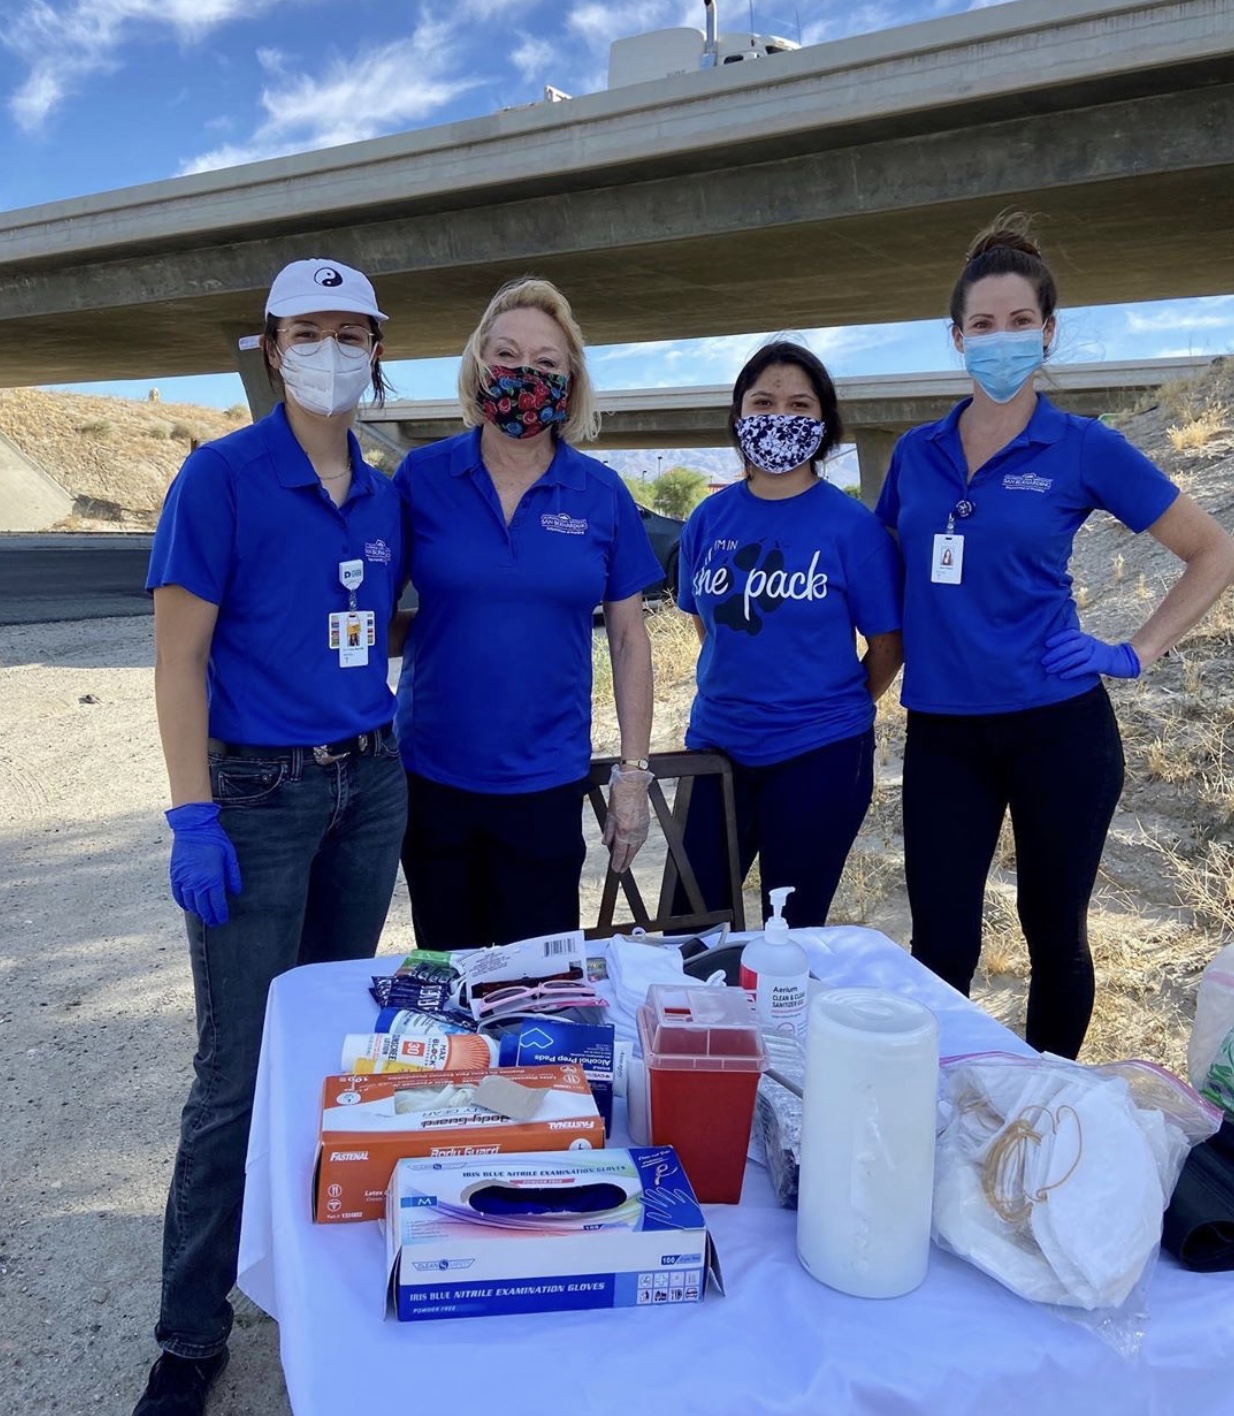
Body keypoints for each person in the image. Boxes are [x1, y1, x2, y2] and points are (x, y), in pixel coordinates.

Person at [135, 259, 408, 1416]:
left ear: (379, 351)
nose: (331, 351)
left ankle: (303, 1275)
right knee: (236, 1071)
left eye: (353, 332)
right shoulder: (221, 478)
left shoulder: (385, 491)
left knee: (336, 1053)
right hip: (259, 795)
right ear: (271, 344)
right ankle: (189, 1338)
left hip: (371, 788)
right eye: (310, 331)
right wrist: (194, 816)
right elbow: (178, 659)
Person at [876, 215, 1234, 1059]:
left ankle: (1044, 1105)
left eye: (1020, 322)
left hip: (1058, 729)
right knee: (942, 945)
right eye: (984, 325)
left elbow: (1212, 551)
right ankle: (941, 1098)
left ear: (1048, 332)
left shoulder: (1083, 447)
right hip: (943, 734)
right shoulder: (914, 454)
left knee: (1053, 934)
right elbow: (879, 577)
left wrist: (1133, 651)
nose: (1001, 339)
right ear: (957, 336)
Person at [392, 276, 664, 950]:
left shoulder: (602, 494)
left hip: (546, 785)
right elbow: (369, 612)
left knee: (535, 990)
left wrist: (634, 775)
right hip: (432, 780)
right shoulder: (419, 480)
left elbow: (630, 641)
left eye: (545, 364)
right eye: (507, 357)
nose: (523, 375)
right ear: (478, 364)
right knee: (447, 977)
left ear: (570, 381)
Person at [675, 340, 903, 929]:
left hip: (820, 754)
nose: (780, 418)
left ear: (823, 424)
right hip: (715, 749)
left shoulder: (854, 527)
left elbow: (887, 644)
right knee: (689, 929)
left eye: (800, 406)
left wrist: (835, 704)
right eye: (763, 401)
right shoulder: (707, 520)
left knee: (792, 935)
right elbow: (704, 618)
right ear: (738, 415)